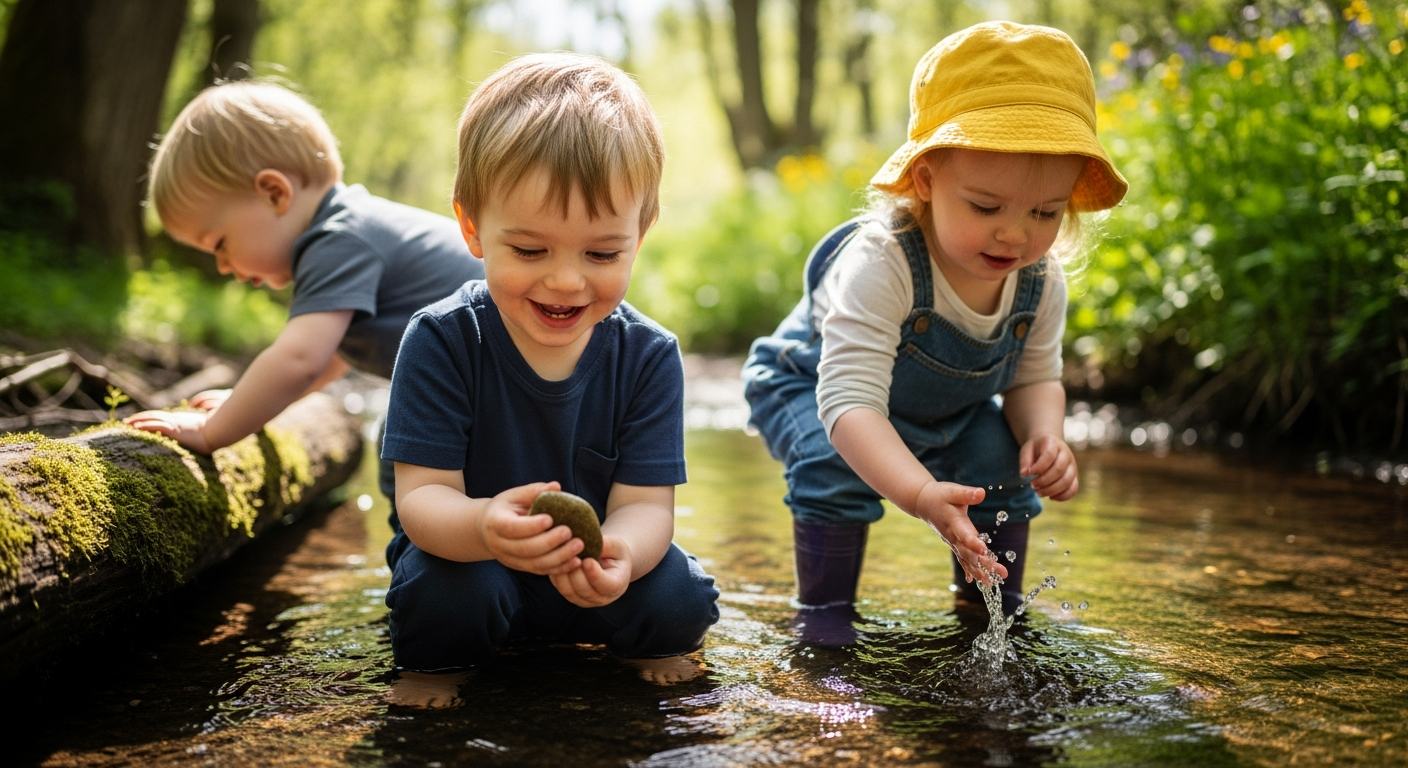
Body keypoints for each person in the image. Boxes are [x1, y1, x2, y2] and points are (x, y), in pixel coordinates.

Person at [742, 21, 1128, 645]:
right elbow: (850, 403)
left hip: (948, 408)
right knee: (831, 464)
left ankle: (991, 611)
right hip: (816, 390)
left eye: (1044, 213)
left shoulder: (1040, 281)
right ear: (926, 180)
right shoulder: (883, 264)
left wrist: (1044, 435)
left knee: (997, 462)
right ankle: (825, 617)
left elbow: (1035, 377)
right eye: (985, 207)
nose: (1015, 235)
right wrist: (919, 492)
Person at [378, 52, 720, 707]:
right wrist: (483, 527)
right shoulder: (442, 339)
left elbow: (648, 506)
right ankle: (439, 667)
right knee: (441, 597)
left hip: (589, 581)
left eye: (601, 253)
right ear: (473, 228)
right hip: (475, 564)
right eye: (530, 250)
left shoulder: (648, 355)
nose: (565, 280)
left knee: (678, 593)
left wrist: (619, 553)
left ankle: (646, 648)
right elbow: (421, 501)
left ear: (641, 234)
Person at [125, 82, 484, 528]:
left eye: (219, 244)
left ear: (274, 193)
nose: (221, 266)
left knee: (401, 442)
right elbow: (332, 355)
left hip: (501, 368)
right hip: (501, 373)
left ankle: (422, 562)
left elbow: (299, 359)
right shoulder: (348, 228)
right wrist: (244, 401)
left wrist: (212, 432)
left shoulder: (337, 239)